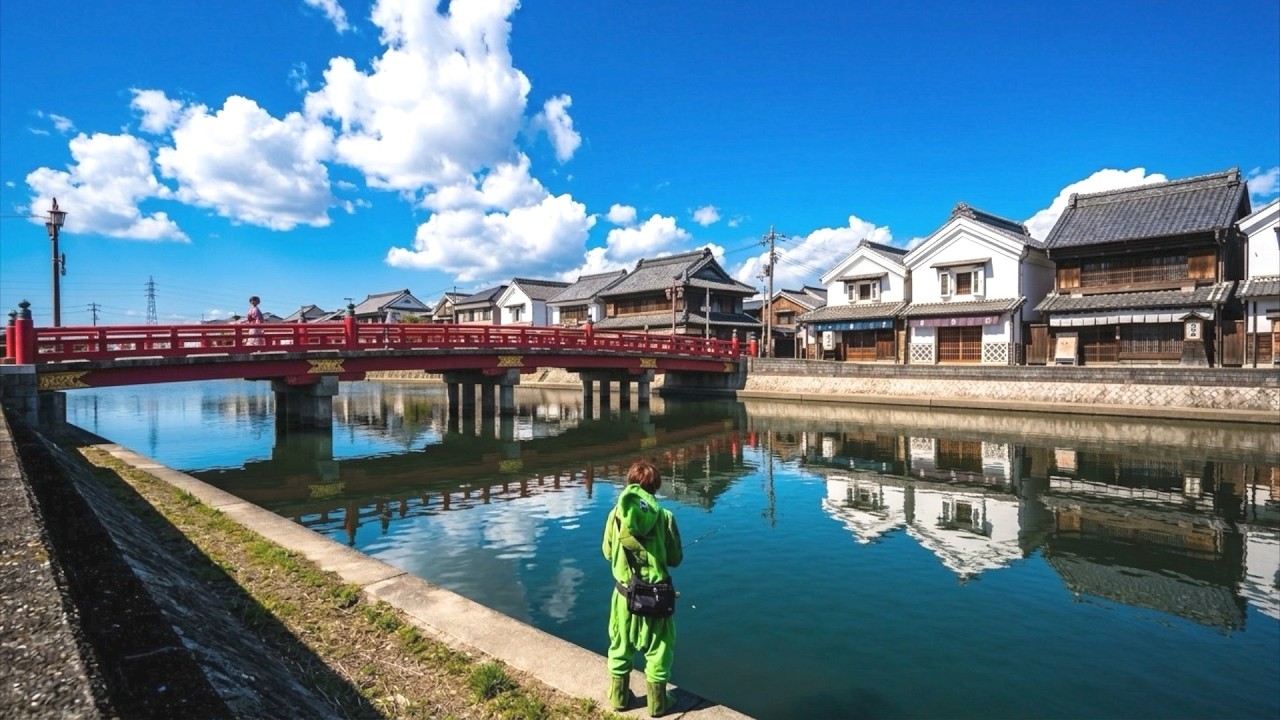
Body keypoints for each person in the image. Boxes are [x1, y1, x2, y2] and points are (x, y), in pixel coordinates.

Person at [602, 460, 683, 716]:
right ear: (655, 488)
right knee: (659, 649)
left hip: (624, 596)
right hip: (656, 598)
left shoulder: (615, 515)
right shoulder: (665, 517)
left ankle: (619, 697)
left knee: (620, 644)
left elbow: (607, 552)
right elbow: (675, 559)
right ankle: (658, 704)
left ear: (629, 484)